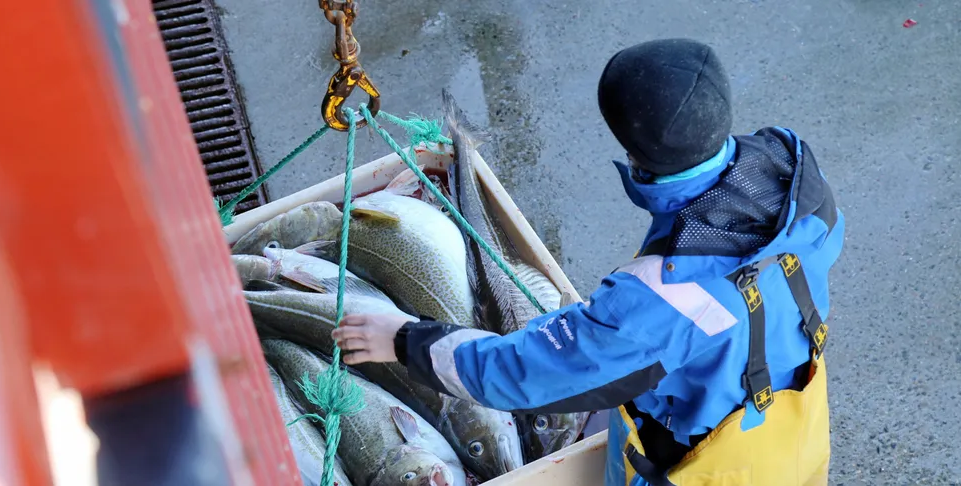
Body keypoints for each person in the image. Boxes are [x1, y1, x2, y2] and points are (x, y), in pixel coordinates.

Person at [332, 38, 844, 486]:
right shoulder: (797, 189)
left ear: (638, 155)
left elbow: (523, 374)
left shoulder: (655, 301)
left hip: (705, 463)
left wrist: (402, 338)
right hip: (788, 421)